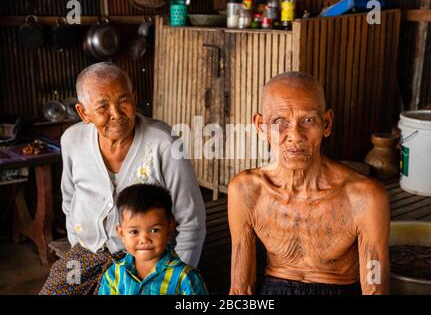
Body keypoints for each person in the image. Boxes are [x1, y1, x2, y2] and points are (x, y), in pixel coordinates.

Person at [40, 62, 206, 295]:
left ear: (134, 97)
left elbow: (191, 222)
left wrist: (175, 279)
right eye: (102, 107)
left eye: (123, 101)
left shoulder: (164, 143)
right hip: (85, 254)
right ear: (83, 112)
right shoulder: (72, 140)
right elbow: (69, 201)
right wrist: (76, 244)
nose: (116, 114)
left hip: (146, 258)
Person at [228, 72, 390, 295]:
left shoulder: (365, 197)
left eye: (308, 120)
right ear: (261, 126)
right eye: (280, 121)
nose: (295, 135)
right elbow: (240, 288)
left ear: (327, 123)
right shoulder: (246, 190)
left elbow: (375, 288)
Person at [98, 184, 208, 295]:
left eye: (154, 230)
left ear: (169, 227)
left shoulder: (185, 279)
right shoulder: (113, 276)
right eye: (134, 232)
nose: (144, 239)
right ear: (121, 233)